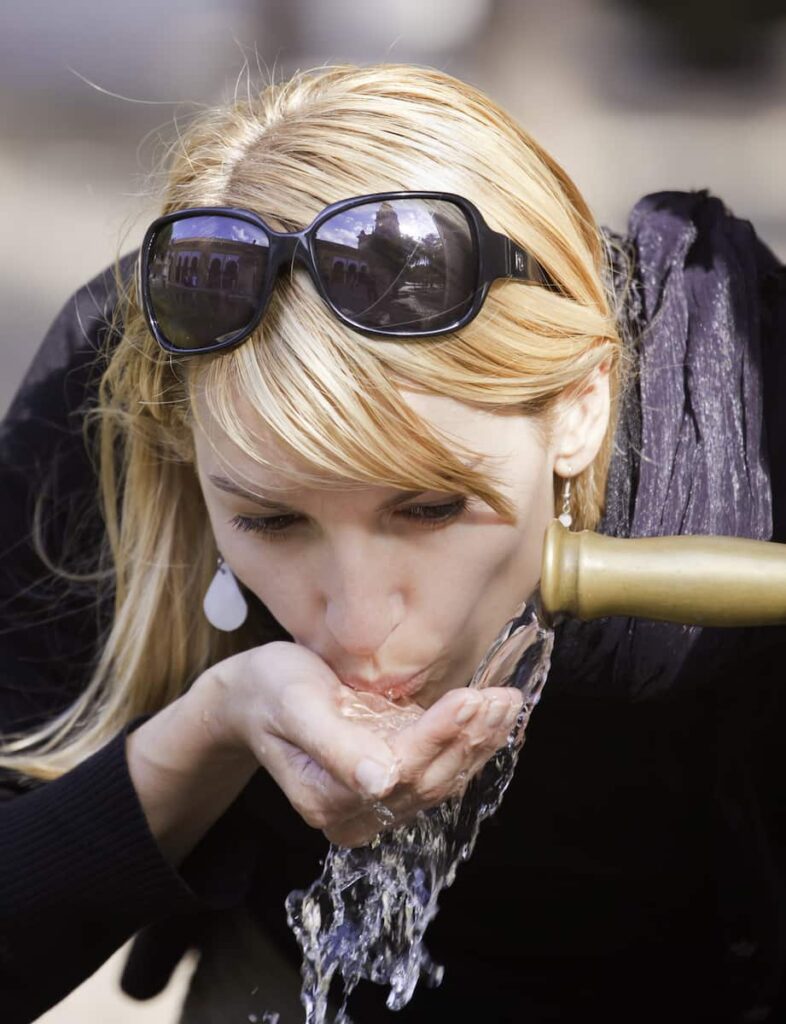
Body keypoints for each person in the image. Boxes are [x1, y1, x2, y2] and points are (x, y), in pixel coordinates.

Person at [1, 64, 784, 1024]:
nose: (362, 625)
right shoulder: (111, 403)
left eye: (428, 508)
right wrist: (209, 732)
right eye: (272, 520)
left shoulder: (744, 429)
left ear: (579, 408)